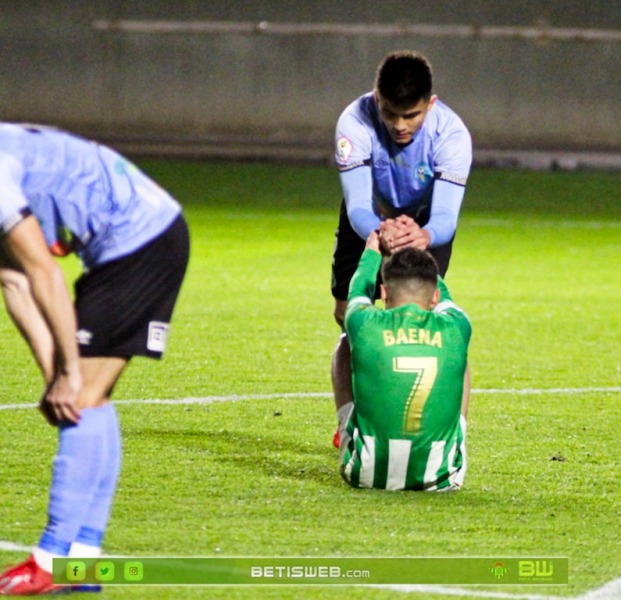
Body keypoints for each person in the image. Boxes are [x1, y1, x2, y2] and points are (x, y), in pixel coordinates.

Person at [0, 123, 189, 595]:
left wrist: (68, 373)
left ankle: (50, 559)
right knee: (86, 397)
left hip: (141, 241)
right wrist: (55, 376)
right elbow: (14, 282)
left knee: (82, 393)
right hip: (132, 243)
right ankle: (82, 562)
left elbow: (44, 273)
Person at [331, 50, 472, 446]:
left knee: (426, 322)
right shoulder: (354, 122)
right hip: (369, 220)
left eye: (411, 116)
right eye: (390, 113)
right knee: (348, 318)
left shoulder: (453, 135)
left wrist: (422, 235)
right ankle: (348, 426)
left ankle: (450, 436)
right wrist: (380, 231)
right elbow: (357, 204)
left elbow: (445, 217)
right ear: (377, 98)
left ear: (431, 103)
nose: (399, 125)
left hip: (424, 226)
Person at [336, 230, 471, 491]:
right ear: (434, 297)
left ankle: (345, 432)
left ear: (384, 293)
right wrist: (419, 250)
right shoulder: (457, 326)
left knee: (345, 343)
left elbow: (358, 291)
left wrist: (372, 251)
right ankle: (453, 445)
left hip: (363, 475)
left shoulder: (364, 322)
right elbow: (445, 295)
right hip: (440, 479)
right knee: (459, 360)